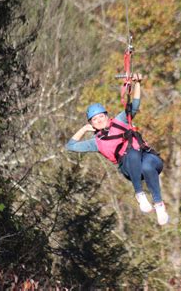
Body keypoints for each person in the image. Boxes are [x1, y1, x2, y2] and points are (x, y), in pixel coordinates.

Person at [65, 74, 169, 225]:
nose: (99, 120)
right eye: (95, 119)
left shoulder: (120, 120)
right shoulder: (95, 142)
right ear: (92, 124)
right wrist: (83, 129)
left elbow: (135, 105)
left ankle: (159, 205)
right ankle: (139, 194)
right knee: (131, 152)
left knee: (146, 165)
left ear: (107, 116)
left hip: (148, 158)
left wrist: (138, 84)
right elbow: (71, 146)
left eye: (101, 116)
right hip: (130, 168)